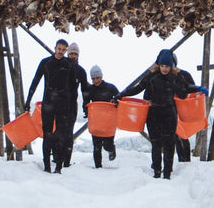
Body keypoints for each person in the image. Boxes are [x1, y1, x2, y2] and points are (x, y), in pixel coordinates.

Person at [119, 49, 206, 180]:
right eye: (162, 66)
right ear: (158, 65)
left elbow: (184, 90)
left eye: (167, 66)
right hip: (153, 113)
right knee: (156, 144)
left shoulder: (174, 78)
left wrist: (197, 89)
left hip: (169, 114)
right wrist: (122, 94)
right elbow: (138, 88)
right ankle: (157, 171)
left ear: (171, 66)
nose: (165, 69)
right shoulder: (151, 76)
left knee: (169, 144)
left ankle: (167, 173)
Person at [24, 39, 74, 173]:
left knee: (61, 136)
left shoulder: (68, 64)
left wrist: (73, 106)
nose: (61, 52)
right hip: (48, 104)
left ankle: (58, 167)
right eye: (59, 49)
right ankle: (47, 167)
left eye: (63, 50)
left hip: (63, 104)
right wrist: (28, 101)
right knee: (47, 135)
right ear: (55, 48)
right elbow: (35, 81)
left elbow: (73, 87)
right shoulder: (46, 63)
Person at [82, 64, 120, 168]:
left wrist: (116, 103)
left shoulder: (110, 87)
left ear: (101, 77)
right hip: (96, 121)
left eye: (97, 78)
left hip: (108, 121)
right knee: (97, 145)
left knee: (107, 144)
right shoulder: (90, 89)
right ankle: (98, 167)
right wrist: (86, 111)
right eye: (93, 78)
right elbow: (86, 102)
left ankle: (111, 149)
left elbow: (119, 97)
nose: (96, 80)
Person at [62, 42, 89, 167]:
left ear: (78, 55)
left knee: (68, 134)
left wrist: (86, 106)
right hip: (59, 104)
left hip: (72, 105)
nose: (73, 56)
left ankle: (66, 161)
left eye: (75, 54)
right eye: (71, 53)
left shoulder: (81, 71)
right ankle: (57, 158)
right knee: (58, 133)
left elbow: (85, 91)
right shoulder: (61, 67)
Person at [173, 54, 197, 163]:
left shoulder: (182, 75)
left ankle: (185, 160)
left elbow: (192, 89)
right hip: (173, 108)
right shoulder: (181, 74)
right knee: (178, 135)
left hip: (182, 107)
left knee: (181, 135)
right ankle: (183, 160)